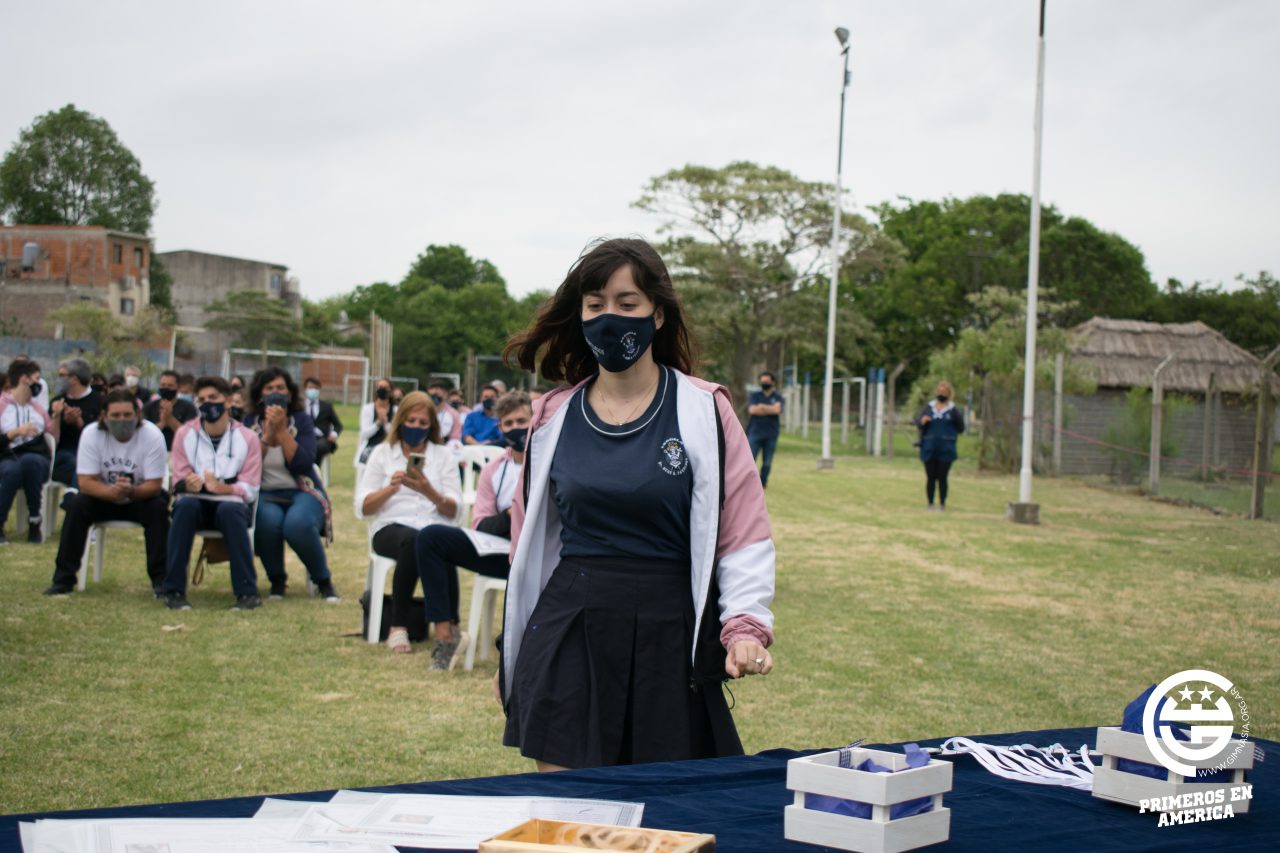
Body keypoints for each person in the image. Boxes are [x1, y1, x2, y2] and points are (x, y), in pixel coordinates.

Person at [500, 238, 775, 771]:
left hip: (667, 630)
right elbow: (526, 543)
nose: (610, 317)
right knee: (570, 805)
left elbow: (742, 532)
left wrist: (744, 627)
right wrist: (510, 649)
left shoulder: (705, 409)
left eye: (627, 303)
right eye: (595, 304)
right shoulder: (552, 417)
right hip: (570, 626)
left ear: (658, 314)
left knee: (662, 803)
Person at [416, 390, 529, 670]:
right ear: (500, 428)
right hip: (502, 552)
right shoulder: (494, 470)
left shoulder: (553, 462)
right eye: (509, 424)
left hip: (539, 557)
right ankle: (446, 635)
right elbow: (481, 524)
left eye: (522, 421)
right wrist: (511, 514)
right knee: (431, 538)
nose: (516, 428)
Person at [355, 391, 461, 657]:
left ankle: (448, 624)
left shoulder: (443, 455)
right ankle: (399, 625)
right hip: (390, 527)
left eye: (423, 423)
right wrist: (390, 489)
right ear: (400, 421)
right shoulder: (383, 453)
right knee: (416, 540)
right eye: (411, 421)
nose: (416, 427)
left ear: (432, 425)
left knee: (438, 540)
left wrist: (429, 491)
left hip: (432, 524)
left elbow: (455, 511)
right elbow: (363, 506)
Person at [44, 390, 169, 596]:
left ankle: (162, 581)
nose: (122, 420)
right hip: (103, 497)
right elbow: (85, 482)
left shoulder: (152, 435)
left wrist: (130, 491)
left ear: (138, 414)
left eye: (127, 415)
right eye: (116, 415)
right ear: (104, 416)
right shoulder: (91, 434)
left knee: (158, 508)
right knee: (77, 505)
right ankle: (63, 580)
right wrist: (112, 493)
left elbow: (154, 485)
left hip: (139, 496)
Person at [161, 376, 263, 611]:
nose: (208, 403)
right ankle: (173, 591)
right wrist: (188, 484)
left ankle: (247, 593)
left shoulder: (247, 438)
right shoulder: (185, 434)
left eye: (213, 398)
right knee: (184, 508)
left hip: (231, 505)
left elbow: (250, 488)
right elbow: (177, 479)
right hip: (195, 502)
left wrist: (222, 488)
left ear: (228, 401)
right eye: (202, 399)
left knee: (230, 510)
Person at [240, 367, 338, 601]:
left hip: (302, 490)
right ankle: (277, 580)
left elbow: (304, 463)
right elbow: (247, 465)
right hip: (266, 492)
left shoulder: (301, 421)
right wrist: (267, 436)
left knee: (297, 524)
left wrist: (282, 432)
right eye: (269, 388)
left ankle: (323, 580)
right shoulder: (248, 422)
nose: (276, 393)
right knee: (268, 522)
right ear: (259, 394)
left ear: (290, 393)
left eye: (280, 388)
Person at [0, 360, 54, 544]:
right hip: (6, 456)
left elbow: (53, 437)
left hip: (37, 458)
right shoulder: (2, 405)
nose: (40, 384)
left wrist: (58, 417)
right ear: (24, 379)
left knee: (30, 462)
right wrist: (14, 433)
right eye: (37, 379)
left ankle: (34, 520)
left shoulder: (38, 409)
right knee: (12, 470)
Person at [49, 358, 103, 486]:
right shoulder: (57, 401)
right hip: (64, 454)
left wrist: (79, 423)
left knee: (84, 463)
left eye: (62, 375)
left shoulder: (100, 401)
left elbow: (102, 434)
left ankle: (73, 493)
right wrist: (57, 416)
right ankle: (73, 493)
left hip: (93, 453)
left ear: (73, 379)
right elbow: (52, 440)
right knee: (74, 463)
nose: (59, 379)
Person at [914, 380, 965, 512]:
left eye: (944, 392)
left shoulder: (953, 410)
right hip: (929, 447)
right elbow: (918, 423)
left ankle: (942, 503)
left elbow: (961, 427)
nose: (941, 394)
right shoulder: (928, 408)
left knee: (942, 477)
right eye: (939, 391)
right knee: (930, 476)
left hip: (946, 448)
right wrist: (922, 421)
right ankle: (930, 503)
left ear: (949, 393)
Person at [142, 369, 199, 450]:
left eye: (170, 386)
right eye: (163, 385)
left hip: (178, 451)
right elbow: (144, 434)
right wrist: (162, 423)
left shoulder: (188, 407)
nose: (166, 388)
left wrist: (169, 418)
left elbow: (189, 435)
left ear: (178, 387)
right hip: (153, 450)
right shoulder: (149, 407)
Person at [746, 370, 784, 489]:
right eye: (762, 382)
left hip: (771, 434)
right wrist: (770, 409)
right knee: (750, 460)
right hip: (755, 433)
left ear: (773, 382)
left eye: (767, 381)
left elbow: (777, 410)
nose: (764, 384)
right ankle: (748, 483)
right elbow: (752, 410)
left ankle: (762, 484)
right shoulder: (755, 395)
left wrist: (761, 407)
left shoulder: (778, 397)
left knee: (767, 462)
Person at [301, 377, 343, 466]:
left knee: (319, 447)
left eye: (315, 388)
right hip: (303, 437)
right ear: (305, 389)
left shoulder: (326, 406)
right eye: (310, 388)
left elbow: (338, 425)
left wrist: (334, 434)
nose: (313, 390)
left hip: (322, 438)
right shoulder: (299, 406)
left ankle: (314, 468)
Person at [356, 377, 397, 465]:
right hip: (370, 448)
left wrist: (385, 422)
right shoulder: (368, 409)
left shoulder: (396, 410)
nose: (382, 390)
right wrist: (378, 423)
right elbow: (364, 434)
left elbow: (395, 434)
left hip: (389, 449)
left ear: (391, 391)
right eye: (380, 387)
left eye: (385, 387)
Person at [427, 381, 463, 446]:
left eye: (436, 394)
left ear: (445, 395)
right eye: (431, 395)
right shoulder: (424, 412)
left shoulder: (454, 414)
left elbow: (455, 438)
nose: (433, 397)